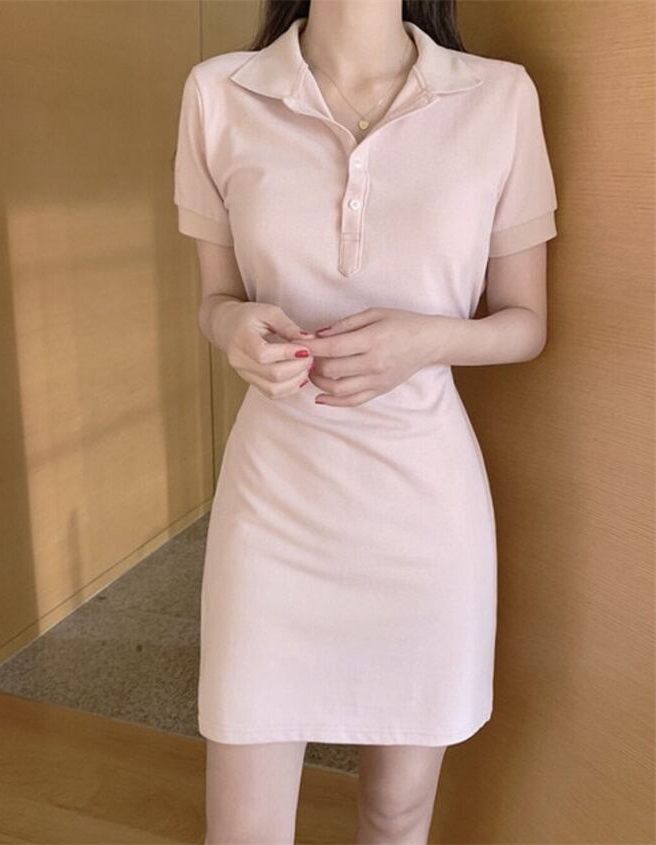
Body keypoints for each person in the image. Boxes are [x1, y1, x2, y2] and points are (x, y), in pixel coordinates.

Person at [173, 0, 558, 841]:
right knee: (240, 828)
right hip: (273, 508)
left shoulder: (500, 97)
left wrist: (426, 341)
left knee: (397, 813)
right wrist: (232, 327)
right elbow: (214, 298)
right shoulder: (218, 94)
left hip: (424, 513)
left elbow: (526, 322)